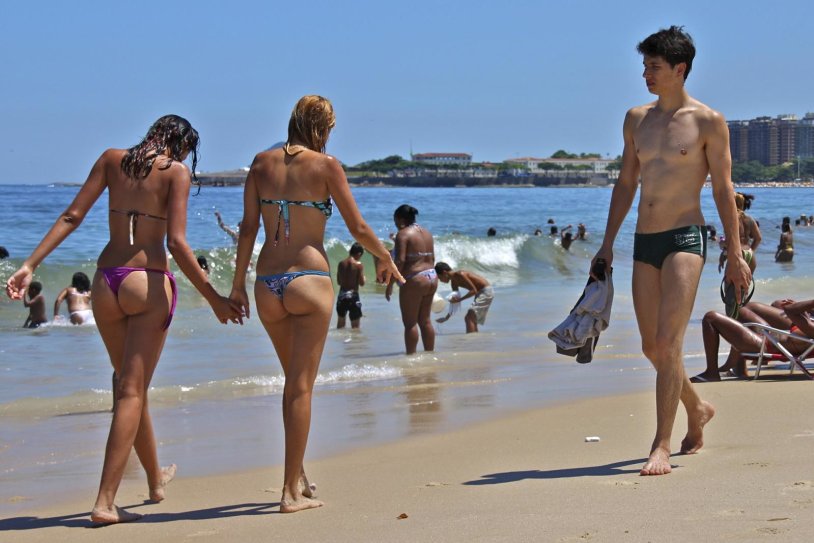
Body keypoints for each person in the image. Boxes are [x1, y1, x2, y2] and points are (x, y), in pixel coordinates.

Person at [5, 115, 242, 524]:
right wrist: (214, 299)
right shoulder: (176, 173)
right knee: (132, 391)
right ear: (180, 145)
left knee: (128, 386)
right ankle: (105, 502)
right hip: (147, 282)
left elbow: (71, 217)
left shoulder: (112, 160)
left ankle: (154, 479)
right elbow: (177, 243)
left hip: (106, 282)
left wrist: (30, 264)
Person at [228, 95, 402, 513]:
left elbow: (249, 228)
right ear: (322, 127)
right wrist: (384, 256)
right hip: (308, 281)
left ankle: (298, 474)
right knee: (300, 387)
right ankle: (289, 493)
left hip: (266, 283)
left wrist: (236, 287)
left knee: (292, 382)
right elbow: (357, 226)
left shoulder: (259, 162)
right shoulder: (327, 166)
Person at [591, 26, 751, 476]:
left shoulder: (707, 121)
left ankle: (660, 444)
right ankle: (697, 407)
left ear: (679, 70)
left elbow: (723, 189)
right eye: (644, 66)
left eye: (654, 67)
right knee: (651, 347)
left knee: (669, 342)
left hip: (686, 237)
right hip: (645, 240)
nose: (646, 73)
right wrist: (606, 243)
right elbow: (626, 184)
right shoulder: (635, 119)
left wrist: (735, 252)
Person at [692, 299, 814, 382]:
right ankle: (737, 368)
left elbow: (790, 310)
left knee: (710, 318)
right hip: (776, 338)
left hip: (765, 345)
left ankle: (711, 373)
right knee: (745, 309)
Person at [385, 204, 437, 354]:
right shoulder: (427, 233)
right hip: (432, 277)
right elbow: (431, 257)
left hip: (415, 279)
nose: (395, 224)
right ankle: (429, 354)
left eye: (395, 221)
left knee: (410, 323)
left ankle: (411, 358)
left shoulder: (403, 234)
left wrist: (390, 283)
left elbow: (400, 261)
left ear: (401, 219)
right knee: (426, 321)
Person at [434, 262, 494, 333]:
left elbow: (473, 290)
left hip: (486, 291)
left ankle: (471, 340)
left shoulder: (460, 274)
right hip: (480, 293)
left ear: (444, 272)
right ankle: (476, 340)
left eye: (439, 278)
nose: (440, 281)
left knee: (469, 318)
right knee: (472, 319)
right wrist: (446, 318)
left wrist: (459, 299)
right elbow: (454, 303)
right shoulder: (454, 282)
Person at [336, 242, 365, 329]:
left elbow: (338, 282)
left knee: (340, 325)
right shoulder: (358, 265)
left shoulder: (341, 264)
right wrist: (364, 277)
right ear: (359, 254)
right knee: (355, 327)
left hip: (342, 295)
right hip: (353, 296)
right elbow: (362, 283)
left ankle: (340, 342)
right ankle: (353, 343)